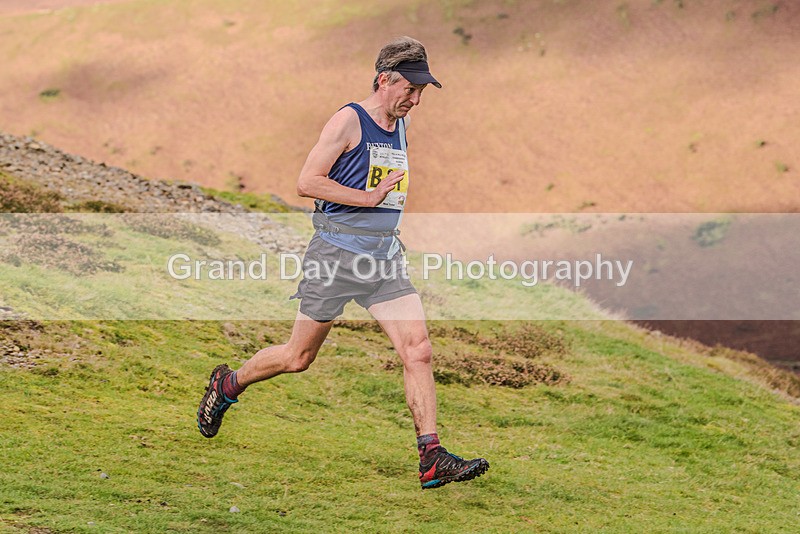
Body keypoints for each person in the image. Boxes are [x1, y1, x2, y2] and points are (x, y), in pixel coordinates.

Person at [197, 36, 489, 490]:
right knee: (298, 358)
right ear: (383, 79)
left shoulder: (401, 125)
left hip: (383, 259)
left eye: (421, 92)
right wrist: (367, 197)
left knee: (419, 349)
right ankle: (228, 384)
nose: (414, 99)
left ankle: (431, 457)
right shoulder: (348, 120)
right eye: (408, 89)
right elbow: (306, 181)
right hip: (335, 256)